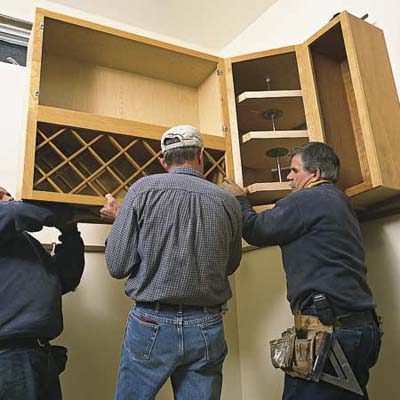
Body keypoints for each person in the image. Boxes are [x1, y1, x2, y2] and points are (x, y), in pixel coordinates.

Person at [222, 142, 382, 400]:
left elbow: (256, 230)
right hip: (362, 329)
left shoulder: (306, 199)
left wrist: (240, 199)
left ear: (315, 174)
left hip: (329, 333)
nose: (288, 177)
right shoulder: (340, 200)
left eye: (294, 170)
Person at [102, 125, 242, 400]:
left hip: (150, 321)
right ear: (201, 156)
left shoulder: (142, 190)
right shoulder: (229, 202)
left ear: (163, 161)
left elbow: (117, 265)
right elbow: (230, 265)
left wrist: (122, 220)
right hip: (207, 322)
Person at [0, 186, 85, 400]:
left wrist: (70, 232)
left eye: (8, 193)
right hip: (10, 356)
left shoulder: (24, 241)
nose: (10, 198)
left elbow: (65, 278)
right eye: (1, 195)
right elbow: (15, 212)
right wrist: (65, 211)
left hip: (40, 354)